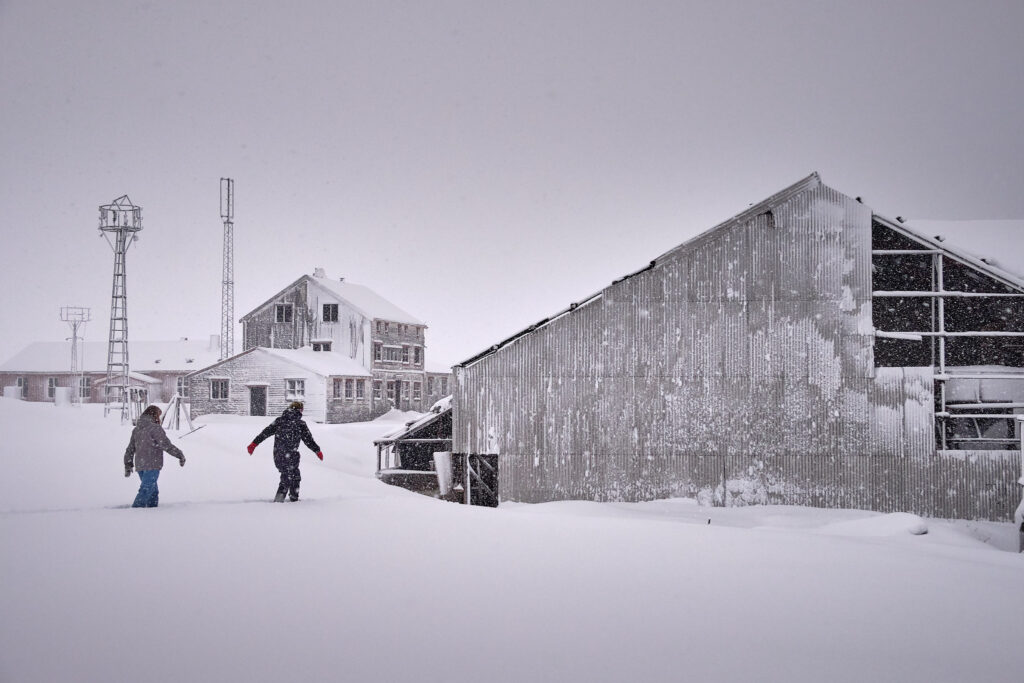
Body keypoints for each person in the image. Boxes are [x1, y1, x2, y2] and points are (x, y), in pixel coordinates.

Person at [247, 401, 323, 502]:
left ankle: (293, 500)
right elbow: (309, 440)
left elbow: (265, 433)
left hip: (279, 454)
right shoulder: (300, 424)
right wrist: (317, 451)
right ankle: (281, 501)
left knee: (293, 475)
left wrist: (254, 444)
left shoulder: (280, 421)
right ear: (300, 410)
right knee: (290, 477)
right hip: (290, 455)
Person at [124, 405, 186, 508]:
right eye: (159, 415)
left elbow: (130, 449)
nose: (159, 418)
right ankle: (135, 512)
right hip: (152, 464)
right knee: (146, 490)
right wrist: (180, 455)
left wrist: (128, 464)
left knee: (152, 492)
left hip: (141, 466)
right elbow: (166, 445)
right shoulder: (155, 428)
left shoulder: (137, 429)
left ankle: (152, 514)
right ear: (154, 415)